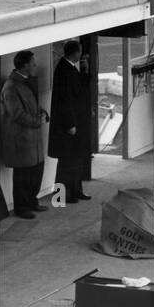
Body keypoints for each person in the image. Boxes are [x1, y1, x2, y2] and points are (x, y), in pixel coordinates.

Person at [0, 50, 49, 220]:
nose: (35, 65)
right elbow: (17, 114)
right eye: (33, 62)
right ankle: (21, 207)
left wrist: (42, 113)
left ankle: (31, 202)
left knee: (35, 171)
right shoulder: (11, 86)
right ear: (25, 65)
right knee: (23, 175)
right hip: (21, 139)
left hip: (31, 139)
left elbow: (31, 107)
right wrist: (38, 120)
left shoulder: (24, 83)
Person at [50, 39, 92, 202]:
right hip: (68, 126)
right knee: (66, 162)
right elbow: (65, 100)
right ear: (76, 53)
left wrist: (85, 70)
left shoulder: (71, 69)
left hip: (76, 121)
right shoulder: (63, 70)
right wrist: (70, 124)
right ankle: (61, 195)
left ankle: (75, 190)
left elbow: (80, 90)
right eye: (80, 51)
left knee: (76, 159)